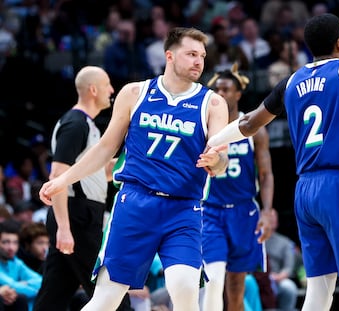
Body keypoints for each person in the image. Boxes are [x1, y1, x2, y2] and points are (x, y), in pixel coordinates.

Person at [205, 13, 339, 311]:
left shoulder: (291, 80)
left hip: (304, 191)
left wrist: (211, 143)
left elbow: (250, 122)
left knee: (319, 290)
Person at [38, 27, 230, 311]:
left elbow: (222, 161)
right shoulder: (134, 93)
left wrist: (216, 161)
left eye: (201, 55)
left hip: (183, 209)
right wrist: (62, 180)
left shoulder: (212, 102)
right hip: (135, 204)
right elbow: (105, 148)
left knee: (186, 289)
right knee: (106, 299)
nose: (198, 61)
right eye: (191, 54)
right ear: (169, 56)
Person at [33, 66, 120, 311]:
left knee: (53, 296)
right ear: (93, 90)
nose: (112, 90)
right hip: (75, 217)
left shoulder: (88, 125)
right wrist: (64, 227)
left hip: (80, 215)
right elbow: (57, 176)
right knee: (110, 289)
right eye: (107, 85)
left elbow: (98, 173)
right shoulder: (75, 124)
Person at [202, 63, 274, 311]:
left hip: (243, 212)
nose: (220, 94)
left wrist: (267, 210)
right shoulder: (205, 127)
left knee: (235, 289)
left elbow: (265, 175)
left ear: (237, 94)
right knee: (213, 279)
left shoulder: (253, 129)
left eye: (226, 89)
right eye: (217, 90)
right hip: (210, 211)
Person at [0, 219, 42, 311]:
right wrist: (38, 291)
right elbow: (12, 285)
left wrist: (25, 284)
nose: (11, 247)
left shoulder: (15, 262)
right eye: (6, 242)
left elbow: (40, 280)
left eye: (15, 242)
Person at [266, 209, 298, 311]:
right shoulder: (253, 241)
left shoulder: (285, 242)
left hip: (277, 280)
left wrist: (277, 277)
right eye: (269, 216)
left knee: (289, 287)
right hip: (257, 279)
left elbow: (288, 268)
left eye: (274, 217)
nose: (271, 219)